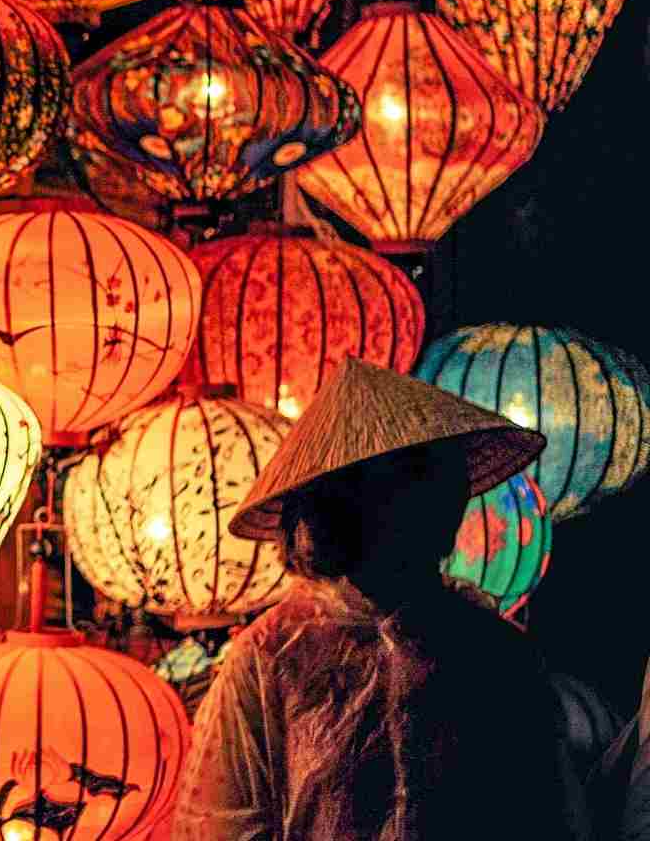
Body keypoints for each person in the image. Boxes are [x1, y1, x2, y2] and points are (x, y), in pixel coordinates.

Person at [173, 358, 587, 841]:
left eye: (424, 492)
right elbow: (223, 821)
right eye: (378, 499)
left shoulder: (496, 653)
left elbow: (541, 812)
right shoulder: (273, 654)